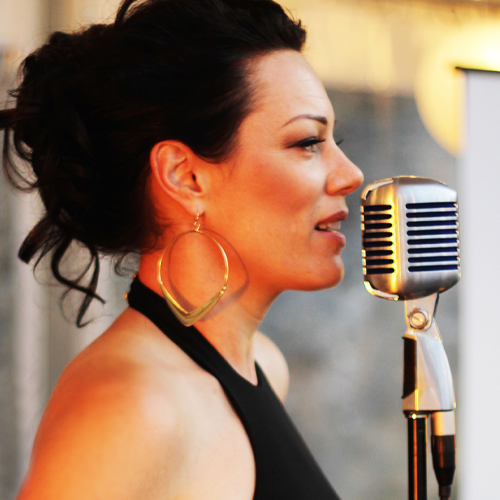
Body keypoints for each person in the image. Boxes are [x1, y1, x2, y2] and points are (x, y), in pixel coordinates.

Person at [1, 0, 364, 498]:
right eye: (306, 141)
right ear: (185, 176)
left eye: (334, 139)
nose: (350, 175)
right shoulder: (132, 405)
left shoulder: (262, 365)